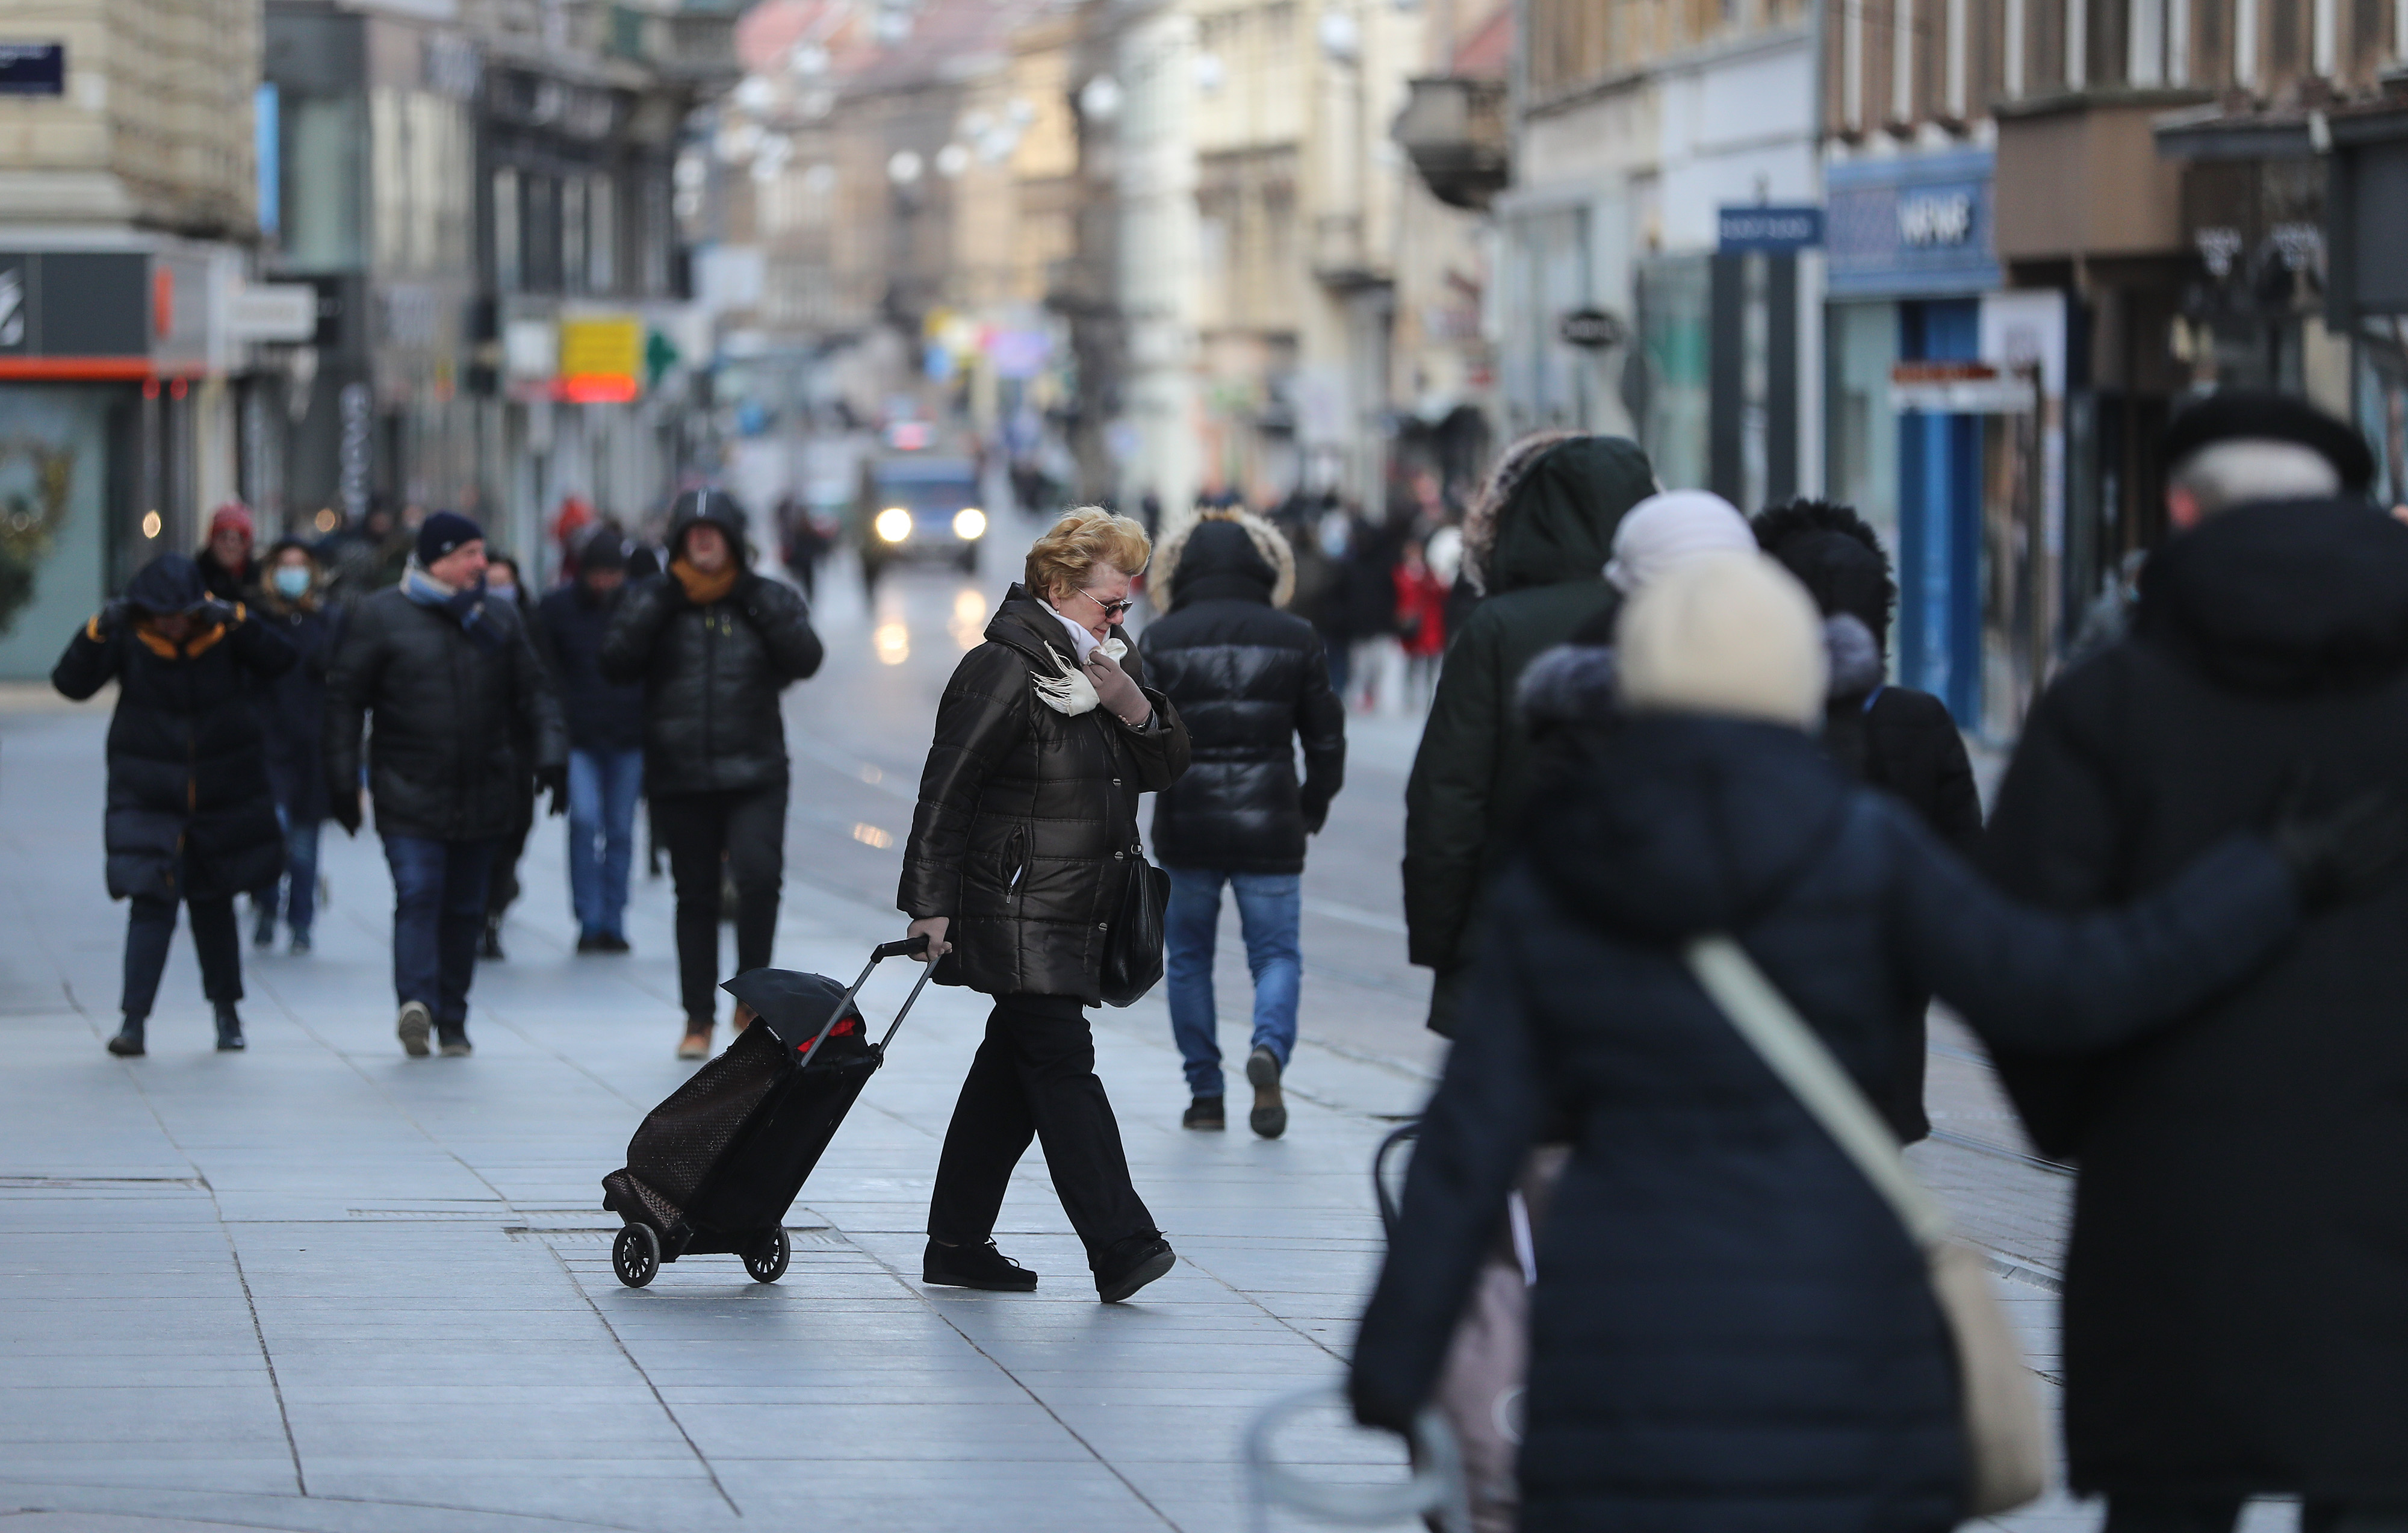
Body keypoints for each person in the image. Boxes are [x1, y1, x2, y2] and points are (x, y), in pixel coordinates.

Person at [1350, 552, 2403, 1533]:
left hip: (1619, 1345)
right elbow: (2068, 991)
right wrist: (2270, 875)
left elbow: (1468, 1136)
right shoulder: (1864, 846)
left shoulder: (1563, 869)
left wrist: (1393, 1365)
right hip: (1843, 1336)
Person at [1980, 396, 2408, 1531]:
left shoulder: (2106, 710)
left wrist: (2088, 1120)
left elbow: (2021, 974)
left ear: (2179, 512)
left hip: (2170, 1242)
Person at [897, 509, 1191, 1304]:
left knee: (1012, 1071)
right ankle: (1123, 1244)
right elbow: (945, 790)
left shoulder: (1100, 665)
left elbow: (1165, 765)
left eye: (1128, 605)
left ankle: (956, 1242)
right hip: (1019, 903)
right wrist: (927, 904)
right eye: (1109, 603)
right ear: (1059, 589)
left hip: (1077, 905)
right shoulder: (1005, 668)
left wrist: (1133, 702)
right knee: (1060, 1062)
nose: (1121, 619)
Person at [1403, 431, 1656, 1037]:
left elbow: (1449, 795)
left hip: (1513, 931)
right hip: (1650, 940)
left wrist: (1443, 937)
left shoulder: (1498, 626)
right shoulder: (1676, 613)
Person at [324, 512, 566, 1057]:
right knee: (418, 894)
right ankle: (416, 1003)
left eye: (482, 554)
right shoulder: (382, 615)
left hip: (484, 788)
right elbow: (344, 701)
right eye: (470, 554)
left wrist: (551, 755)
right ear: (440, 558)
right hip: (407, 787)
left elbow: (537, 693)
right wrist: (341, 780)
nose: (482, 565)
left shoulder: (498, 618)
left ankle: (453, 1016)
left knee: (464, 907)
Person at [1138, 508, 1345, 1137]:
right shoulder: (1296, 635)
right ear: (1262, 567)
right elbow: (1327, 740)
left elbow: (1139, 737)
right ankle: (1269, 1049)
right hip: (1271, 821)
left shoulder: (1161, 638)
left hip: (1187, 824)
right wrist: (1312, 804)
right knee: (1276, 954)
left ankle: (1205, 1093)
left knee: (1190, 960)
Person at [600, 490, 824, 1059]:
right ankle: (697, 1016)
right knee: (694, 894)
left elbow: (806, 657)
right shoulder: (654, 598)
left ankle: (750, 999)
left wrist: (757, 601)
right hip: (681, 773)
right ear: (677, 541)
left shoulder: (764, 596)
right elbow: (616, 660)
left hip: (755, 771)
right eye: (692, 532)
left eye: (714, 531)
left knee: (758, 878)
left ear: (732, 539)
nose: (703, 541)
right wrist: (662, 602)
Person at [52, 553, 295, 1055]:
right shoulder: (130, 638)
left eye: (180, 613)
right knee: (151, 906)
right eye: (161, 614)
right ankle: (133, 1022)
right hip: (148, 794)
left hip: (220, 792)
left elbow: (281, 661)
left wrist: (240, 622)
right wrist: (96, 629)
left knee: (214, 906)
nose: (173, 624)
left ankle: (227, 1016)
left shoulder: (223, 636)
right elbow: (71, 684)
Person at [537, 528, 647, 953]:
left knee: (619, 829)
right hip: (580, 737)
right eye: (599, 575)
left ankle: (613, 920)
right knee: (584, 822)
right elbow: (549, 670)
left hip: (628, 735)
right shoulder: (558, 608)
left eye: (612, 575)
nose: (606, 584)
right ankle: (589, 918)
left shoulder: (638, 606)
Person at [246, 540, 343, 956]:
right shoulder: (259, 621)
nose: (292, 574)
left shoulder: (327, 621)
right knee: (273, 834)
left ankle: (301, 922)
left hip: (312, 747)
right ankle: (267, 904)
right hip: (268, 746)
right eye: (284, 566)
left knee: (305, 846)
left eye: (299, 566)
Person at [476, 553, 538, 960]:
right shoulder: (468, 627)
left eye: (506, 582)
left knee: (514, 834)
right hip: (476, 753)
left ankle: (495, 906)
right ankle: (483, 918)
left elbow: (544, 688)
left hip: (518, 753)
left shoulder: (530, 628)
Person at [1393, 536, 1450, 709]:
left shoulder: (1428, 574)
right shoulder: (1400, 573)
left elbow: (1442, 592)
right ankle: (1409, 697)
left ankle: (1427, 696)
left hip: (1430, 624)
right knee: (1411, 662)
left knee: (1429, 663)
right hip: (1410, 624)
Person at [196, 503, 256, 603]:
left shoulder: (259, 583)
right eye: (223, 537)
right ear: (212, 540)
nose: (230, 546)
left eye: (238, 539)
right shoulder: (196, 577)